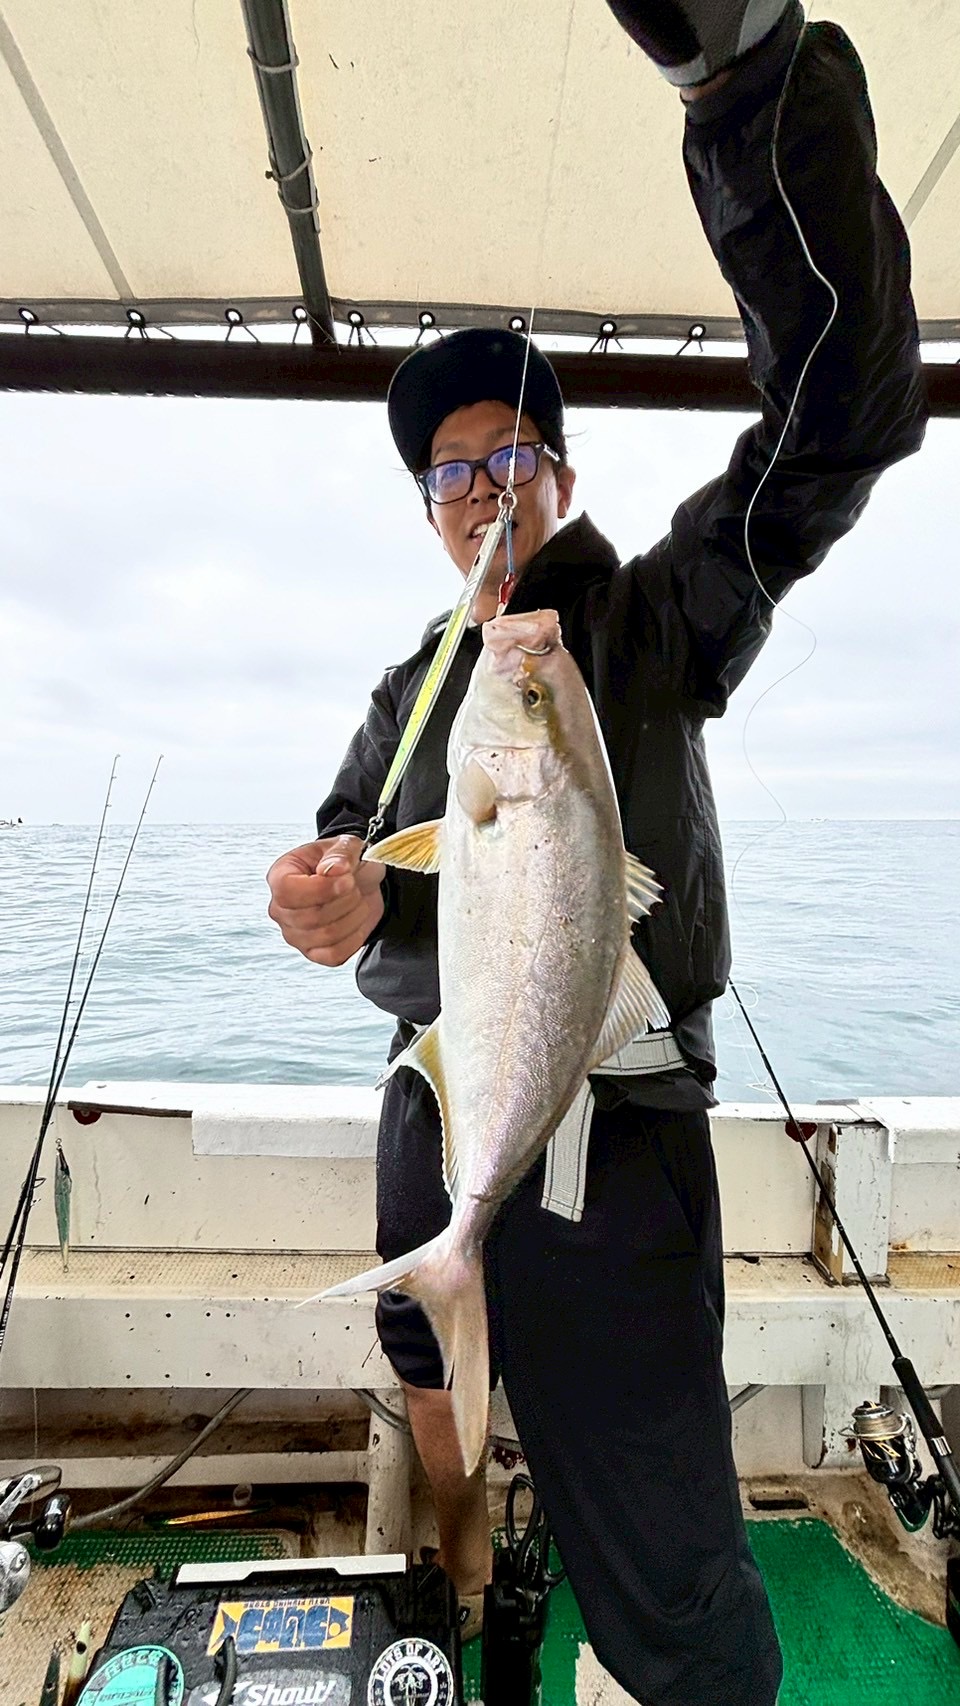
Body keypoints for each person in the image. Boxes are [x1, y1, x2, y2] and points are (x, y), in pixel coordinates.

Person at [267, 4, 926, 1700]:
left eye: (508, 456)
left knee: (670, 1569)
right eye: (449, 474)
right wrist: (328, 892)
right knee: (437, 1398)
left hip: (613, 1151)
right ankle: (472, 1566)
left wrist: (744, 88)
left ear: (558, 476)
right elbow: (345, 851)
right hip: (437, 1117)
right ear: (429, 512)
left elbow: (843, 415)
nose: (479, 490)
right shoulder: (416, 684)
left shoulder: (650, 615)